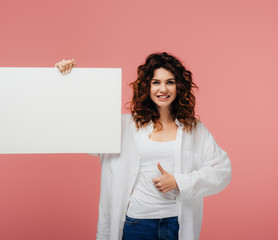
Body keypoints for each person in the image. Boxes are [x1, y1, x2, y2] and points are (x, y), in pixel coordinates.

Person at [55, 53, 232, 240]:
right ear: (146, 86)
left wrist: (179, 182)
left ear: (179, 86)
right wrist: (68, 80)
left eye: (170, 82)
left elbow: (222, 170)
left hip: (175, 225)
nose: (163, 89)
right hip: (136, 224)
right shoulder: (125, 126)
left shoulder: (194, 129)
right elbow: (82, 134)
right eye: (156, 82)